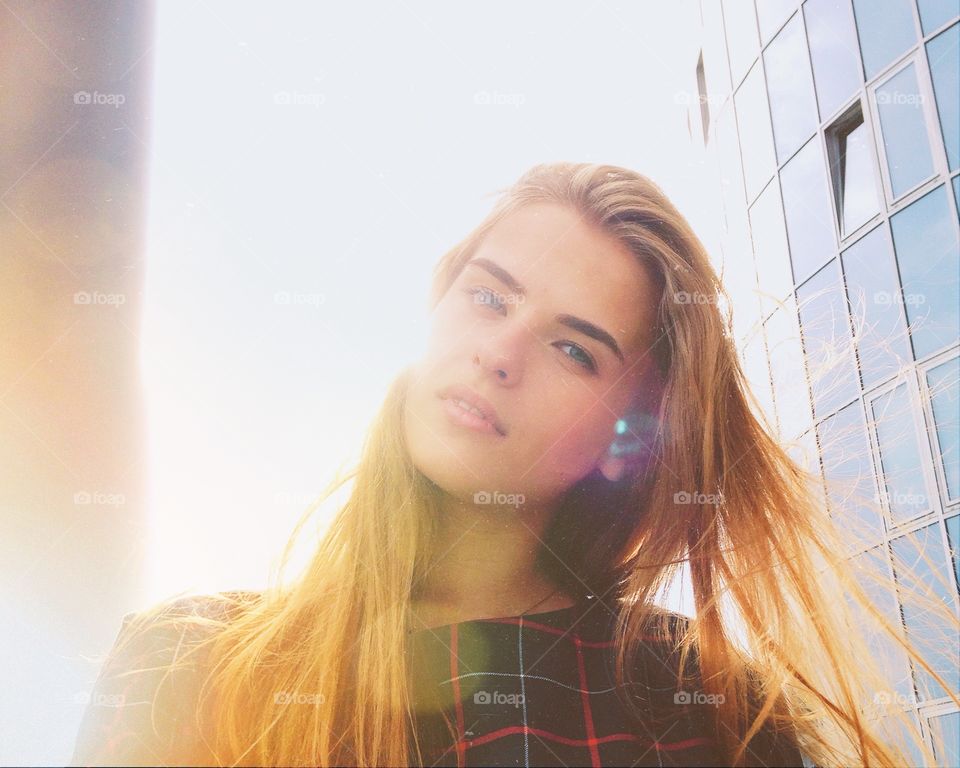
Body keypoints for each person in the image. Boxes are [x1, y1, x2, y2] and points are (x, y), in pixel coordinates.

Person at [71, 162, 957, 767]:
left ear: (629, 437)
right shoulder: (182, 662)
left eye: (576, 351)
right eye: (489, 295)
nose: (499, 353)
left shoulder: (699, 715)